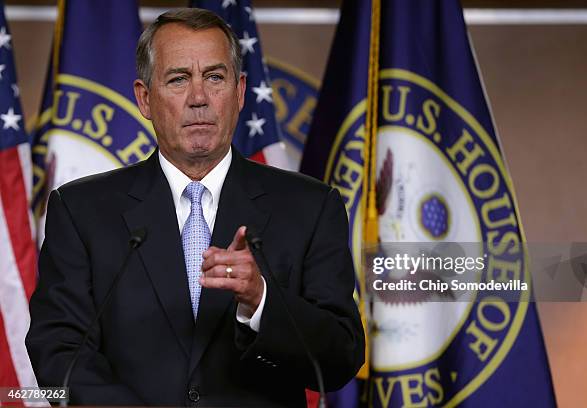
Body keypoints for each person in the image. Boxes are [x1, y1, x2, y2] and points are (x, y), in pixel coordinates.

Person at [26, 8, 364, 407]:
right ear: (144, 98)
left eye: (215, 77)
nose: (199, 98)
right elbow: (58, 352)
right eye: (178, 79)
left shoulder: (311, 206)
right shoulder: (81, 210)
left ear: (239, 93)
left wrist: (262, 301)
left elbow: (341, 356)